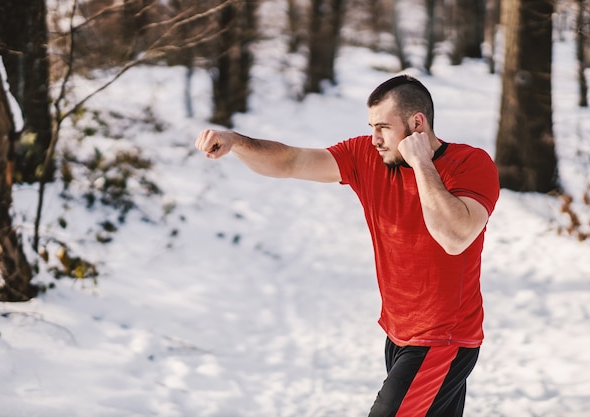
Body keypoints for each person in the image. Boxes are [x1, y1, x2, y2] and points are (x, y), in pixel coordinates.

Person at [195, 75, 500, 417]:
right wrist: (236, 142)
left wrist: (421, 163)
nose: (375, 139)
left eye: (383, 127)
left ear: (417, 124)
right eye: (371, 126)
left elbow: (454, 237)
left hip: (443, 339)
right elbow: (291, 161)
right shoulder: (365, 156)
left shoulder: (470, 164)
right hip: (398, 334)